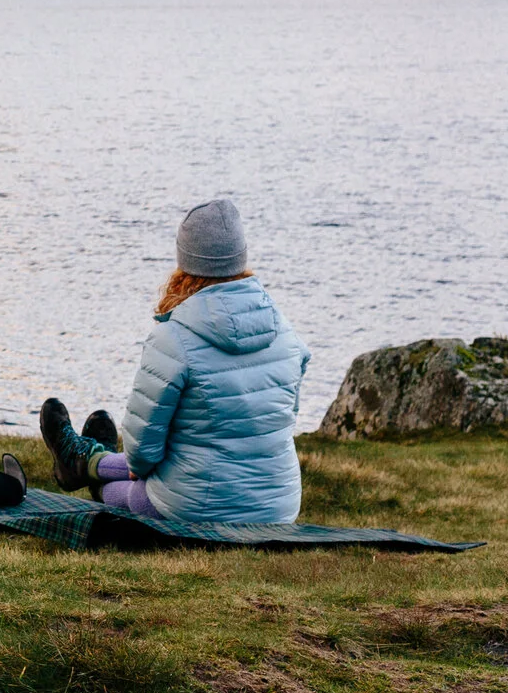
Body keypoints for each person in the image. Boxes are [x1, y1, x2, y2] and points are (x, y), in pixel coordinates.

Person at [39, 198, 310, 526]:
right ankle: (88, 457)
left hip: (197, 509)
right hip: (278, 508)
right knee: (187, 458)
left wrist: (140, 470)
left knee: (122, 491)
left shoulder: (174, 338)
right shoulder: (286, 332)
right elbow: (283, 420)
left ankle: (88, 463)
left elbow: (142, 455)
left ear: (185, 262)